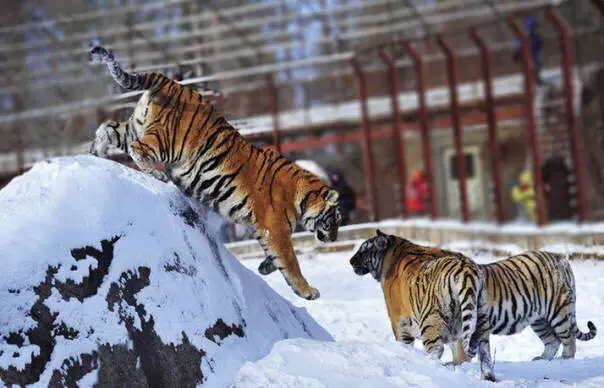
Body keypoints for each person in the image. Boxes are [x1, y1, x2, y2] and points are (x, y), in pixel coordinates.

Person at [512, 16, 543, 85]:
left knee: (535, 67)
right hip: (528, 55)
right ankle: (533, 82)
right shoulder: (524, 35)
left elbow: (538, 43)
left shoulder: (533, 35)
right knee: (532, 67)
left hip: (533, 54)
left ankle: (535, 81)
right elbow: (518, 44)